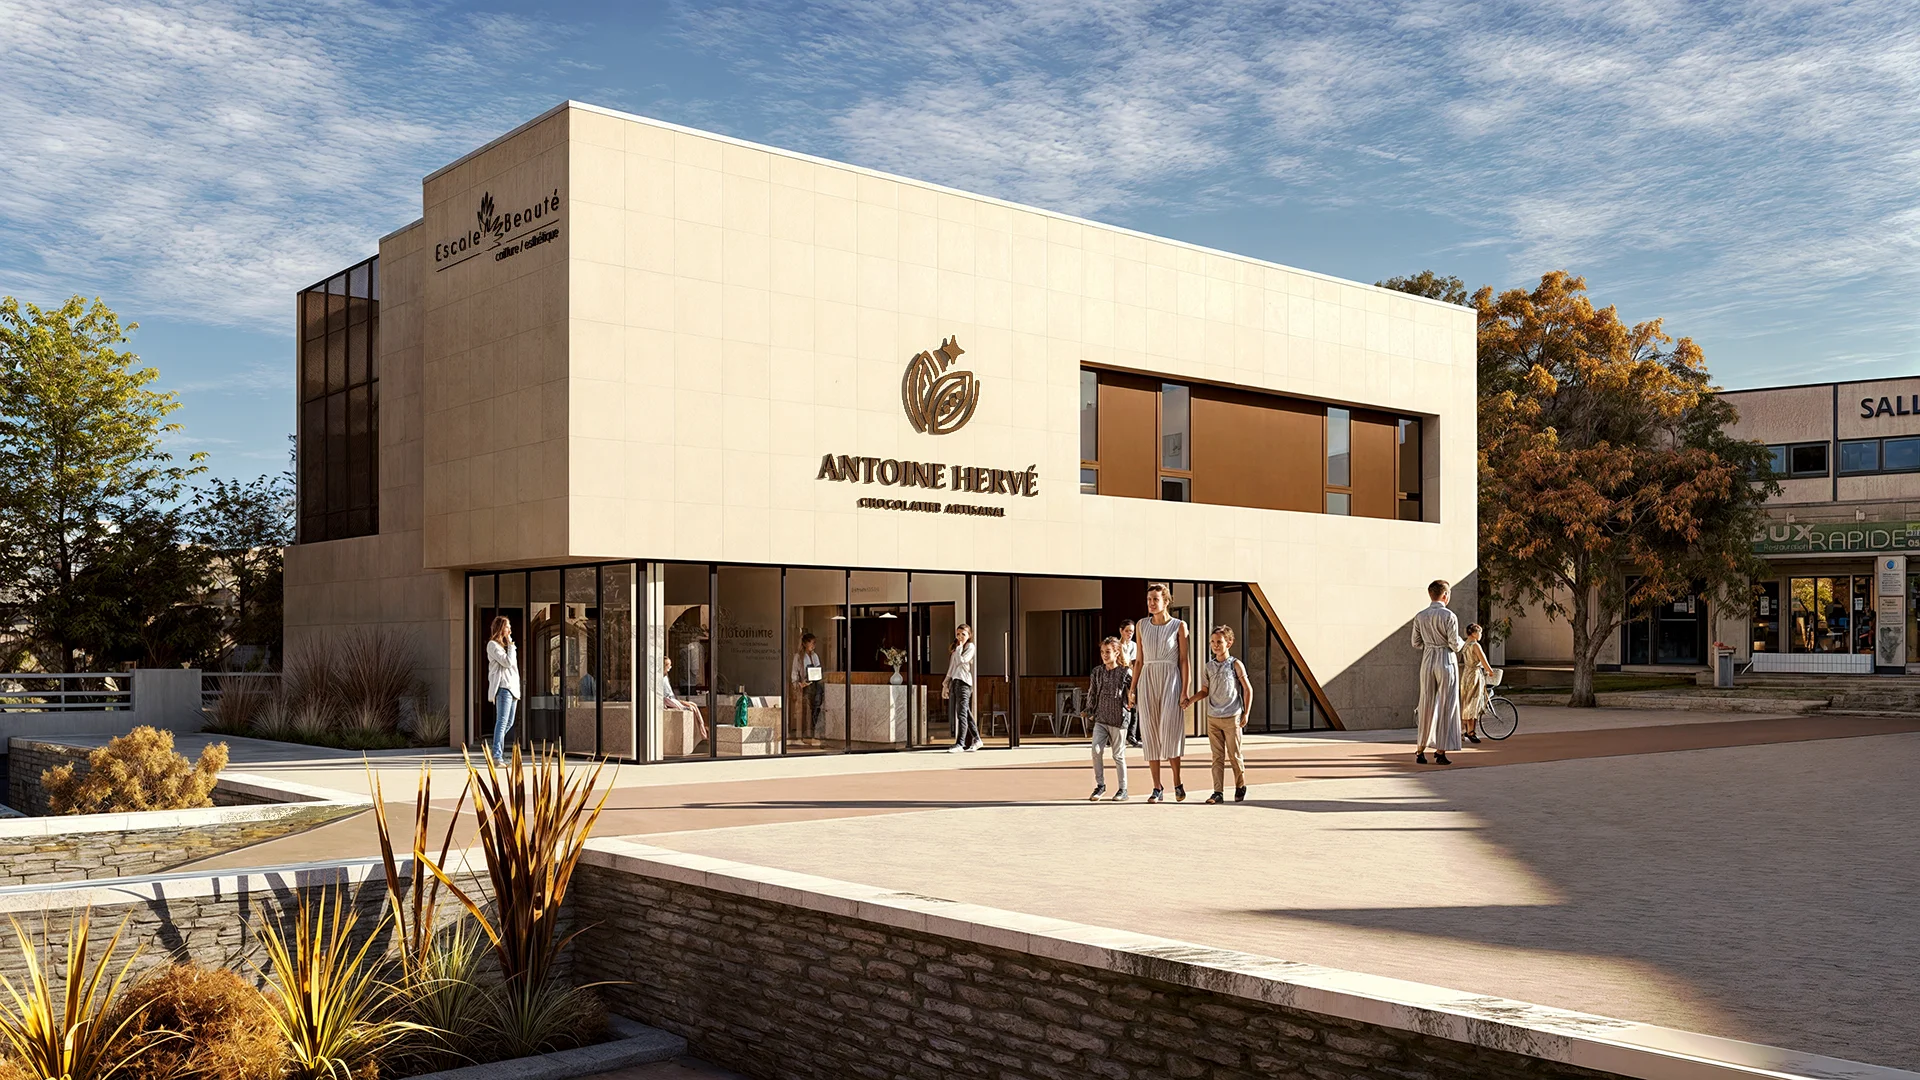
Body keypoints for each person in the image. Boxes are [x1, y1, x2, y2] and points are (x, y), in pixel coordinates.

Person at [1127, 583, 1190, 802]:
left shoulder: (1179, 626)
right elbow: (1140, 661)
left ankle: (1177, 781)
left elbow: (1184, 661)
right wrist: (1132, 689)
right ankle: (1157, 787)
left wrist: (1184, 691)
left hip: (1171, 679)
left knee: (1170, 730)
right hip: (1147, 679)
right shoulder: (1142, 625)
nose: (1151, 603)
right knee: (1151, 733)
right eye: (1149, 600)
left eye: (1155, 599)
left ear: (1166, 601)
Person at [1185, 625, 1253, 804]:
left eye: (1220, 642)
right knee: (1217, 757)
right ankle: (1218, 792)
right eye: (1213, 642)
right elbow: (1205, 691)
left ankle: (1240, 784)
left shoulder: (1235, 664)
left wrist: (1246, 713)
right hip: (1213, 717)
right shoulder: (1208, 666)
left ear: (1229, 643)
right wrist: (1191, 700)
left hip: (1232, 716)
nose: (1215, 645)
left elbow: (1248, 689)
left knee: (1234, 755)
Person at [1411, 580, 1465, 765]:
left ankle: (1420, 749)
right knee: (1446, 704)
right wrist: (1462, 642)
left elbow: (1415, 643)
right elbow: (1454, 644)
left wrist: (1429, 642)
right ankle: (1440, 751)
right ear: (1445, 595)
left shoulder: (1420, 616)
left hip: (1427, 660)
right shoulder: (1449, 616)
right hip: (1445, 659)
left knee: (1426, 701)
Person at [1087, 636, 1131, 801]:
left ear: (1116, 652)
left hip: (1119, 720)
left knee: (1118, 755)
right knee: (1096, 750)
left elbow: (1134, 690)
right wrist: (1089, 710)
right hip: (1101, 719)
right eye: (1102, 652)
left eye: (1108, 652)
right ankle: (1100, 785)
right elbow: (1092, 692)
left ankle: (1123, 789)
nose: (1104, 655)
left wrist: (1131, 702)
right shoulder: (1097, 672)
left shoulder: (1124, 672)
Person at [484, 616, 521, 760]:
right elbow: (507, 662)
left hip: (513, 688)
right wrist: (511, 645)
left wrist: (510, 645)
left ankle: (495, 749)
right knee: (502, 721)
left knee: (509, 722)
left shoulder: (506, 646)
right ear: (501, 628)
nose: (509, 629)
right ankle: (497, 756)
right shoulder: (492, 645)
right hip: (503, 687)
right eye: (507, 626)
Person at [943, 624, 981, 752]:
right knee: (965, 713)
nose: (960, 637)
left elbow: (962, 661)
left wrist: (959, 649)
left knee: (961, 714)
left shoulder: (970, 647)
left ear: (969, 635)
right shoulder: (956, 649)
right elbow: (952, 668)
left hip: (964, 683)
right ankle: (977, 739)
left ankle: (960, 744)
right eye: (958, 634)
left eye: (963, 634)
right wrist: (945, 684)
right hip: (956, 682)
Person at [1458, 622, 1496, 745]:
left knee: (1466, 702)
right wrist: (1490, 671)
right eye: (1479, 632)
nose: (1480, 635)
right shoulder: (1475, 645)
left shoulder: (1465, 645)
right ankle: (1471, 731)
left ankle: (1464, 730)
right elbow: (1483, 660)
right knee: (1473, 702)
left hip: (1466, 675)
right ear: (1474, 633)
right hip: (1474, 674)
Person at [661, 654, 708, 744]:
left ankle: (702, 730)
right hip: (668, 699)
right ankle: (701, 732)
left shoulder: (665, 677)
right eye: (668, 665)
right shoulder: (661, 678)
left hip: (671, 698)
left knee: (693, 705)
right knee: (690, 707)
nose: (670, 667)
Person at [790, 631, 826, 740]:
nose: (813, 645)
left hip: (816, 685)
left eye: (814, 643)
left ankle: (814, 731)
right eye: (811, 643)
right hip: (805, 686)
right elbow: (794, 672)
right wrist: (799, 684)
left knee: (816, 708)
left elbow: (818, 669)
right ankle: (806, 733)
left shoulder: (815, 656)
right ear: (805, 643)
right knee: (806, 710)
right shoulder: (798, 656)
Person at [1117, 621, 1142, 747]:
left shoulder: (1133, 646)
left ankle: (1131, 736)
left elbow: (1134, 663)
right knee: (1120, 706)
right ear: (1121, 631)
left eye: (1132, 631)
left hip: (1131, 678)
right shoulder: (1116, 645)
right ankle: (1116, 736)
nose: (1129, 634)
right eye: (1127, 631)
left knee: (1133, 706)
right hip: (1118, 679)